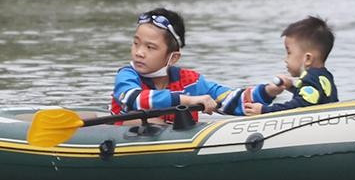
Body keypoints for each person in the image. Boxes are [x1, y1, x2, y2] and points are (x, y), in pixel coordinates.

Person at [113, 8, 256, 122]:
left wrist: (268, 91)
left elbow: (229, 99)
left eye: (150, 47)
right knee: (150, 122)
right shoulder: (127, 75)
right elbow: (133, 99)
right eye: (136, 43)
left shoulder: (191, 82)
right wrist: (188, 100)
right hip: (120, 138)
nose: (139, 53)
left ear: (173, 57)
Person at [243, 15, 339, 115]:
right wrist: (291, 87)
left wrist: (265, 110)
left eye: (289, 53)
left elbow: (299, 106)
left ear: (308, 59)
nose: (285, 59)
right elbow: (311, 99)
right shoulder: (323, 76)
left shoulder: (310, 78)